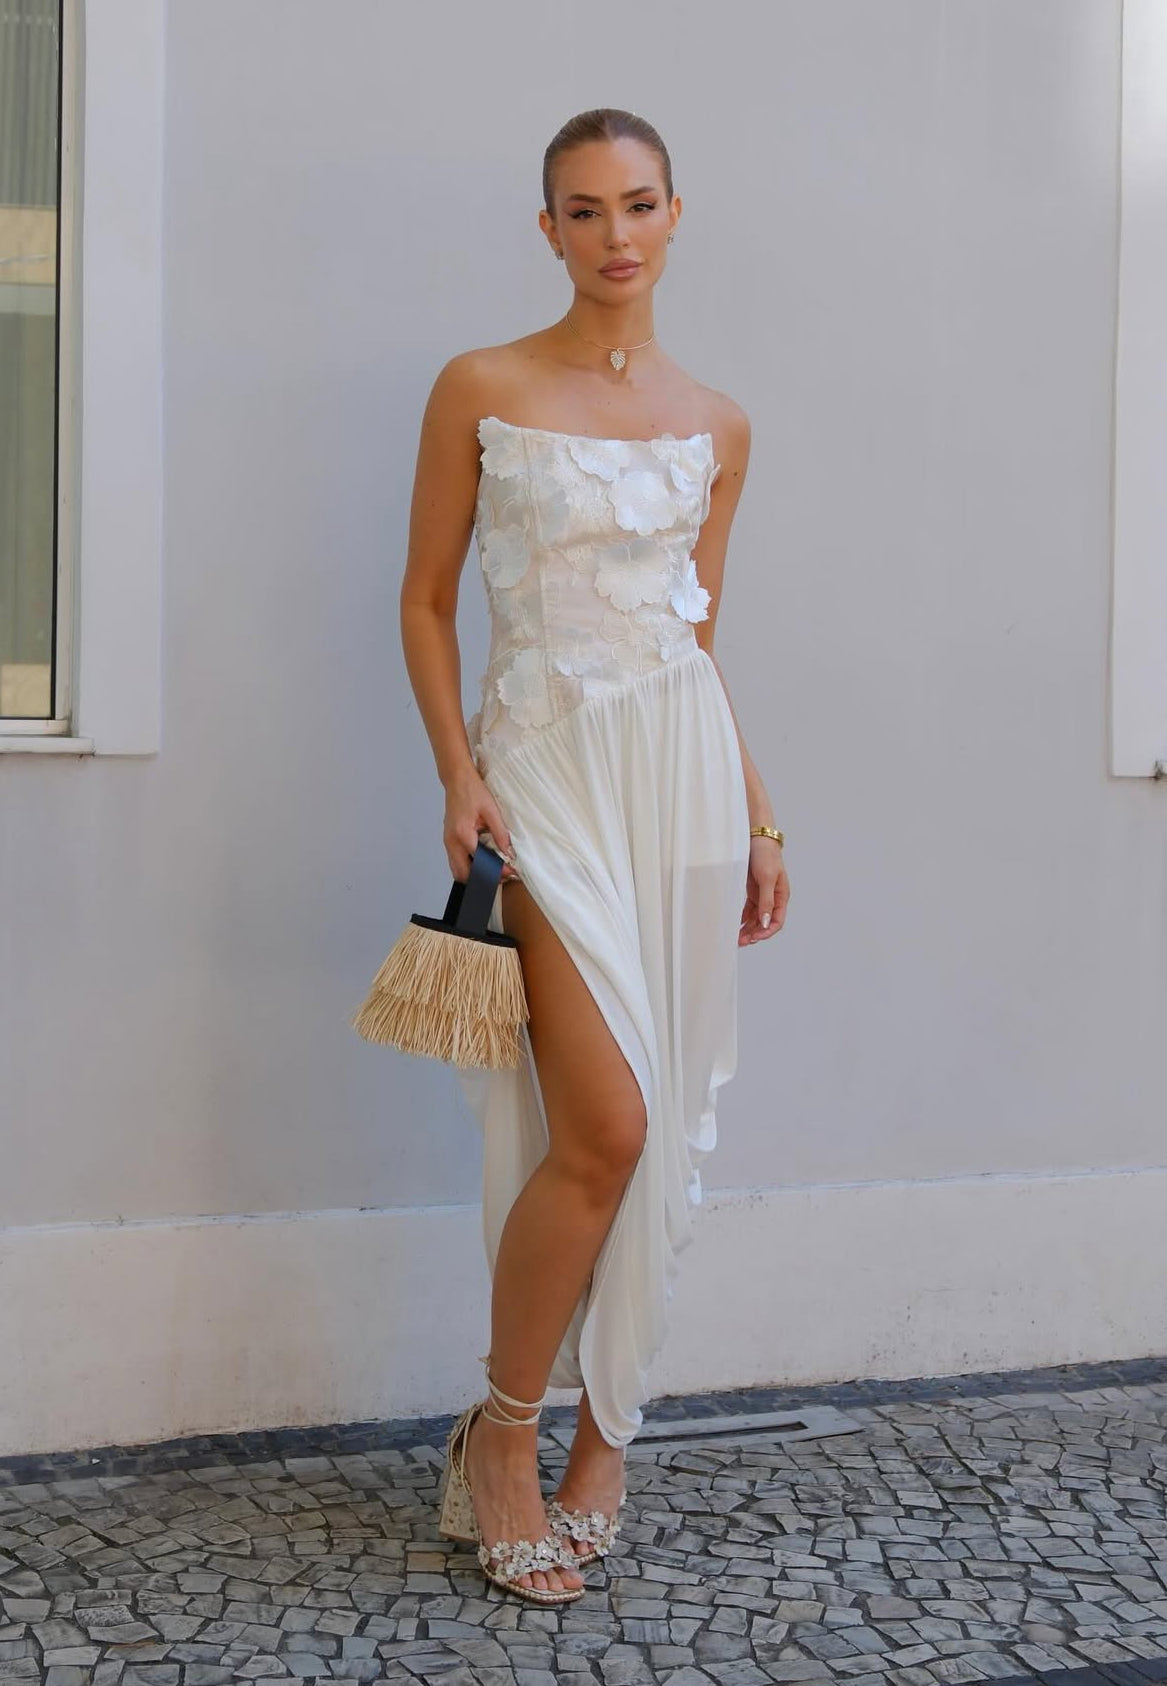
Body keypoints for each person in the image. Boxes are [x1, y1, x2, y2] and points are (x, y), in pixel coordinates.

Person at [399, 107, 790, 1605]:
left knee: (663, 1120)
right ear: (548, 228)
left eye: (637, 203)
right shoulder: (481, 386)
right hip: (546, 779)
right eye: (583, 209)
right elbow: (427, 598)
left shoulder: (720, 424)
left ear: (676, 214)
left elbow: (699, 638)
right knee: (602, 1126)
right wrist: (458, 771)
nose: (614, 234)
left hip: (680, 785)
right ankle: (502, 1434)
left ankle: (604, 1443)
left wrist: (758, 814)